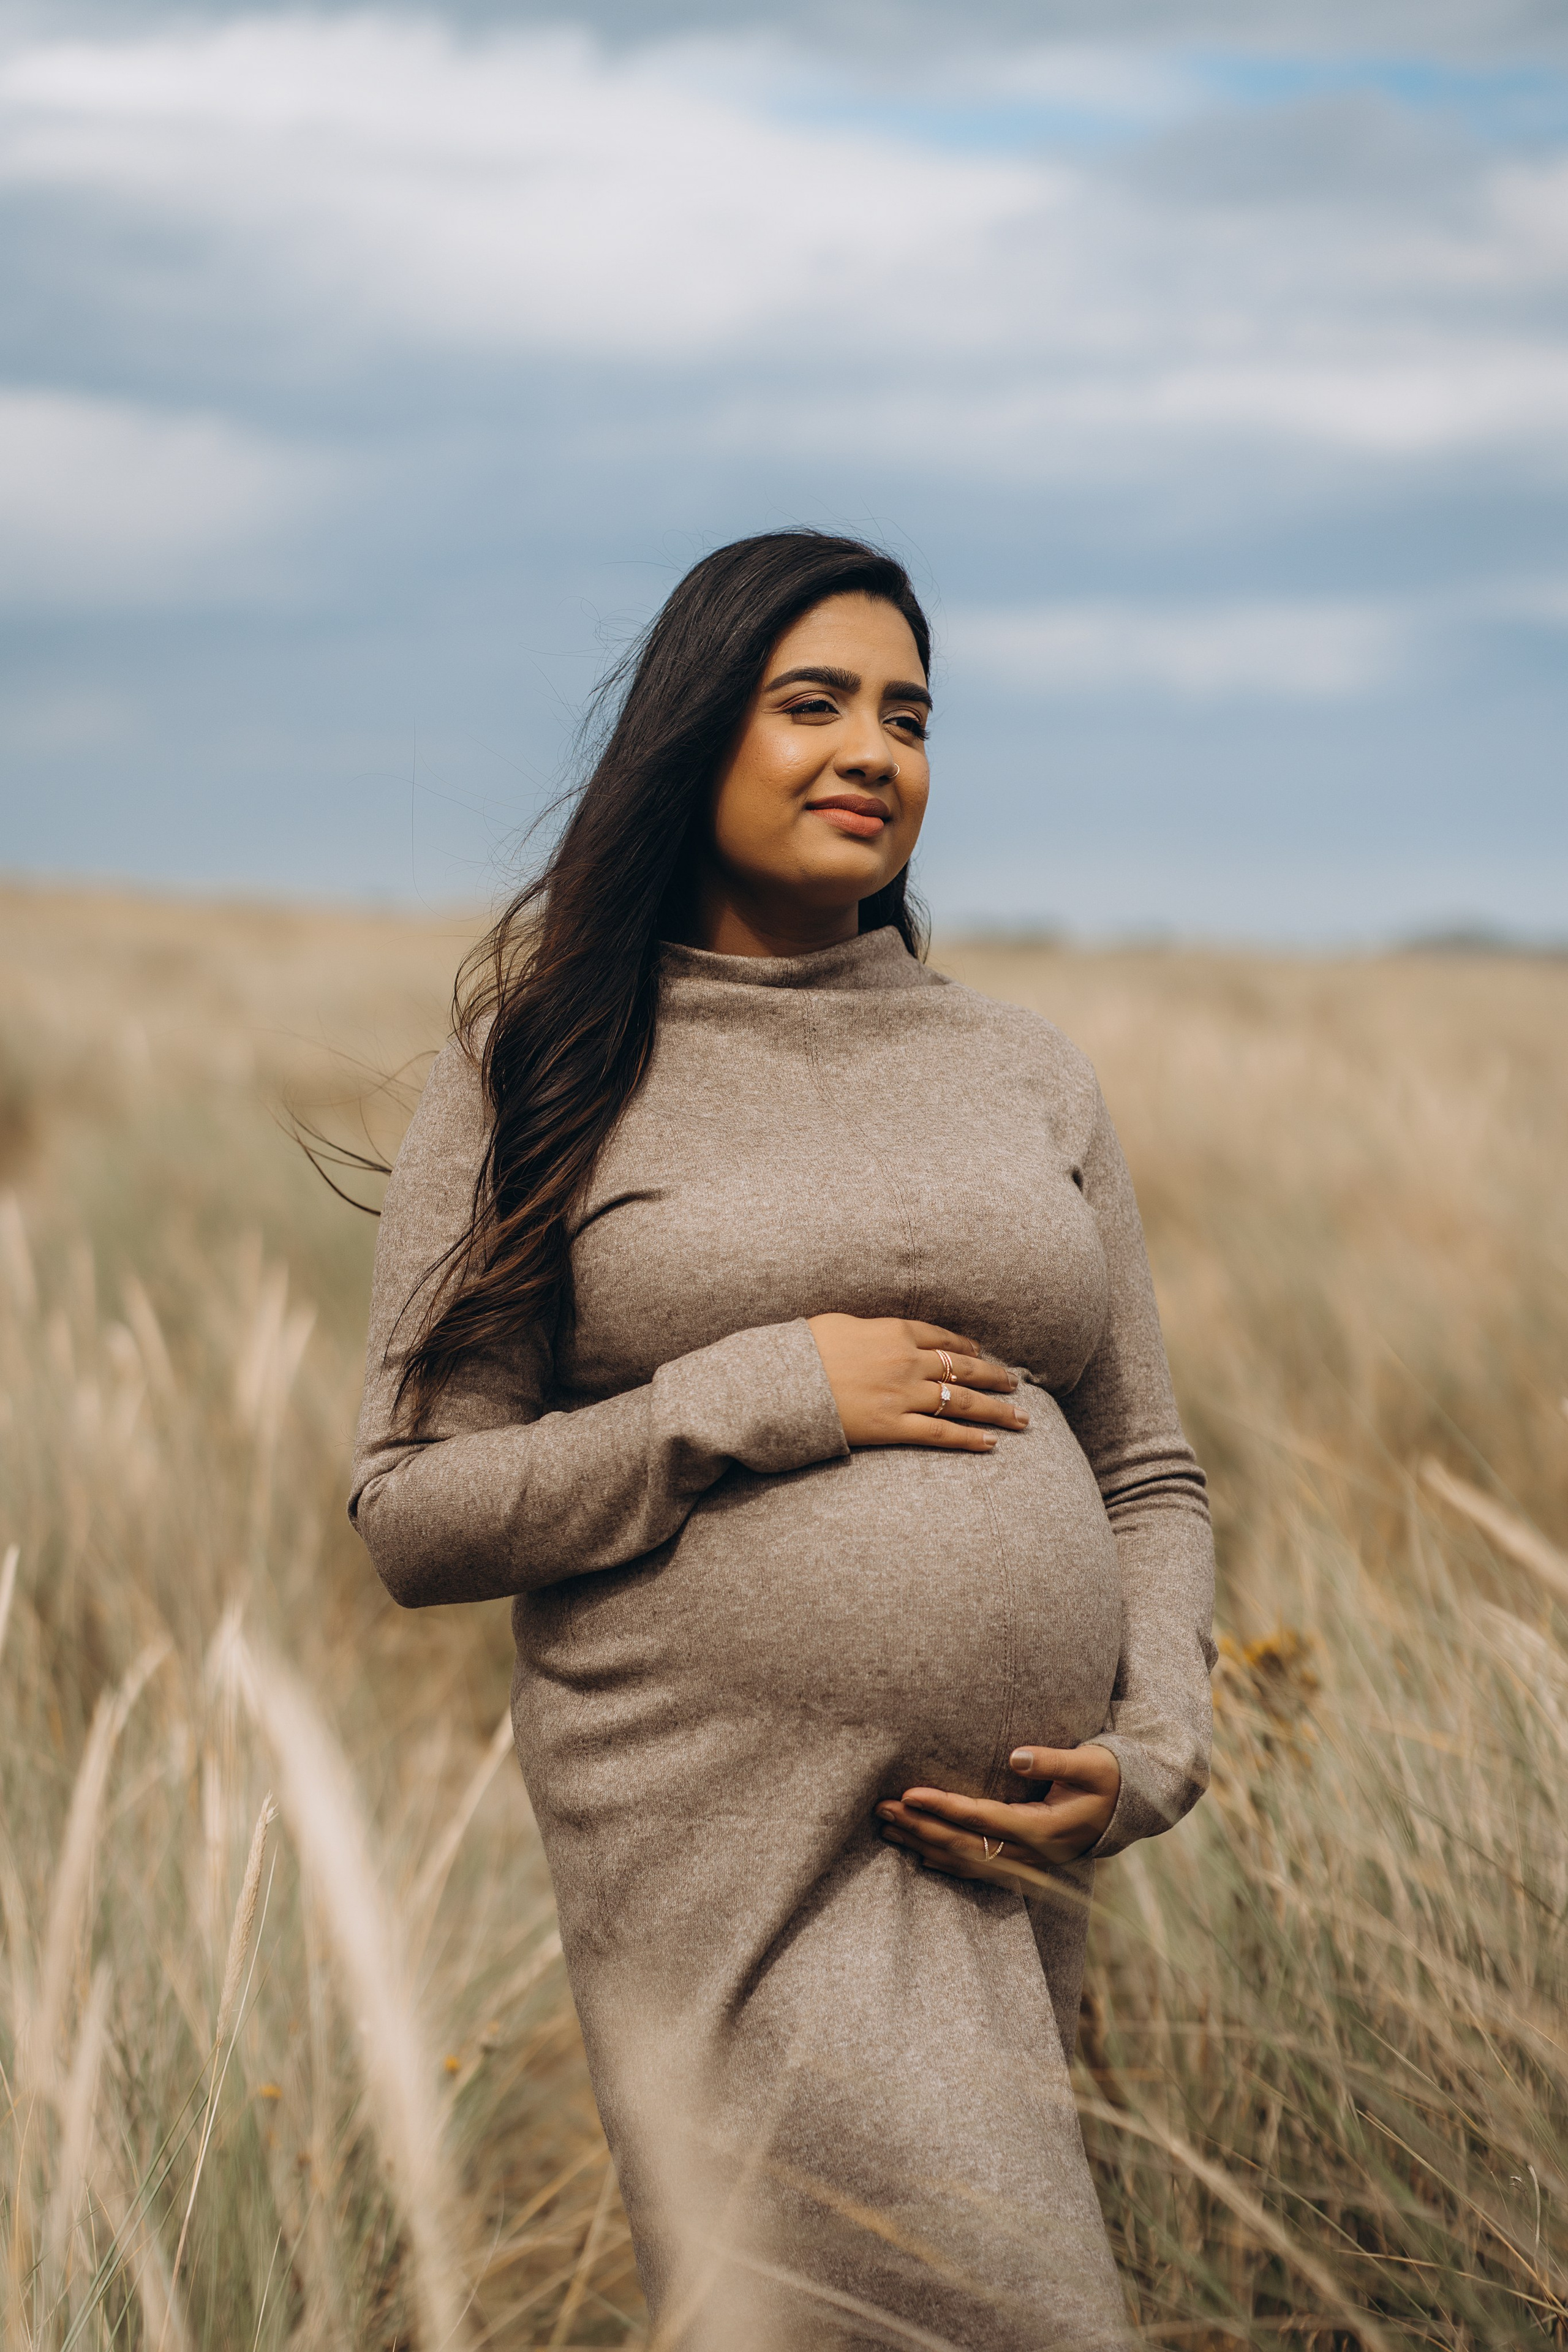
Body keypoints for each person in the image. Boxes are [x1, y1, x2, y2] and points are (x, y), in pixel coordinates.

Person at [350, 529, 1216, 2350]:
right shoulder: (548, 1052)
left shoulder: (1022, 1066)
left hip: (994, 1853)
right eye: (811, 702)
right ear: (696, 735)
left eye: (909, 714)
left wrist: (1158, 1753)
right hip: (724, 1846)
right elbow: (417, 1509)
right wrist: (752, 1399)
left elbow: (1144, 1467)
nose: (873, 751)